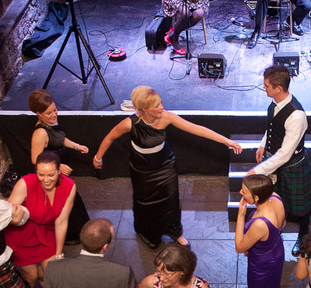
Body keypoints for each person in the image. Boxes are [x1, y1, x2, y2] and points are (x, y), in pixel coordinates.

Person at [94, 86, 241, 249]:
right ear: (144, 109)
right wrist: (97, 158)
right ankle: (149, 234)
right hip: (142, 169)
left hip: (165, 165)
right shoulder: (130, 123)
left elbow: (196, 129)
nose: (162, 107)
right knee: (145, 202)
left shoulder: (166, 117)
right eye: (156, 105)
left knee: (171, 199)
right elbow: (110, 137)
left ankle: (175, 232)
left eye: (160, 103)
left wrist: (226, 141)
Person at [238, 65, 311, 257]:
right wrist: (263, 144)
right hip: (273, 160)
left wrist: (256, 171)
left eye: (266, 86)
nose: (264, 88)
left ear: (278, 88)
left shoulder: (296, 115)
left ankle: (304, 236)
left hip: (292, 165)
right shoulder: (275, 103)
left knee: (301, 206)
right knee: (272, 200)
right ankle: (274, 230)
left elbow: (285, 155)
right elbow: (273, 126)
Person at [5, 151, 77, 288]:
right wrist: (14, 216)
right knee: (31, 277)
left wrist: (59, 253)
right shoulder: (25, 183)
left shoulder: (69, 186)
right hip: (22, 235)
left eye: (51, 175)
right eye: (41, 174)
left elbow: (61, 221)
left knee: (49, 275)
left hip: (46, 232)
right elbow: (7, 214)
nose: (46, 180)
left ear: (59, 170)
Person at [27, 88, 90, 243]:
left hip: (58, 170)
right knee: (67, 203)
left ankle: (79, 232)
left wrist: (76, 146)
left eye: (55, 110)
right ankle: (72, 236)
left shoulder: (51, 123)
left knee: (72, 201)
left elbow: (59, 138)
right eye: (49, 113)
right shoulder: (40, 133)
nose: (54, 115)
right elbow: (35, 159)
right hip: (53, 174)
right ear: (39, 113)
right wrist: (58, 167)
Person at [235, 174, 285, 288]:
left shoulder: (259, 223)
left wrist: (241, 216)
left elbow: (239, 246)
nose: (241, 193)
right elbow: (282, 223)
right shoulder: (276, 198)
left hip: (262, 267)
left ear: (256, 197)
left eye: (244, 192)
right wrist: (261, 244)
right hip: (275, 252)